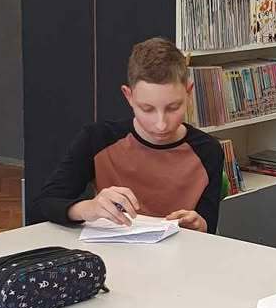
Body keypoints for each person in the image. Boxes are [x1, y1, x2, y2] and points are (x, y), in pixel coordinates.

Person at [28, 37, 224, 232]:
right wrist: (88, 208)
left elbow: (208, 225)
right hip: (112, 249)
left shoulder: (208, 151)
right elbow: (42, 206)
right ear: (128, 96)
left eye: (173, 108)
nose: (161, 124)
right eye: (147, 109)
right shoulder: (97, 139)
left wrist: (200, 225)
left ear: (189, 93)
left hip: (180, 249)